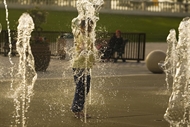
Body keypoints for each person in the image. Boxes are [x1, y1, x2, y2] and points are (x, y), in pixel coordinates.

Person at [71, 19, 95, 119]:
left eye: (91, 27)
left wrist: (92, 60)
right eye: (89, 26)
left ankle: (78, 109)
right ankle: (77, 110)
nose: (91, 28)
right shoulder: (81, 35)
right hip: (79, 65)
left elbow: (91, 49)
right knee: (81, 88)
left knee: (85, 88)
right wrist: (83, 47)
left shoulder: (88, 36)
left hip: (85, 66)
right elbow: (81, 48)